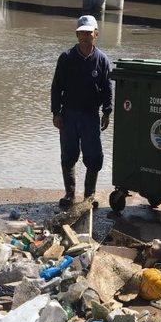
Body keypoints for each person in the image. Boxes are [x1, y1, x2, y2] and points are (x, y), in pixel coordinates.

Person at [51, 15, 113, 209]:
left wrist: (107, 112)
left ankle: (89, 196)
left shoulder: (102, 60)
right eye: (81, 33)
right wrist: (56, 112)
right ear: (77, 35)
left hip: (90, 116)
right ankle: (69, 195)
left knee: (93, 157)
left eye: (89, 33)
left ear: (96, 34)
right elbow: (56, 87)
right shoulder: (66, 58)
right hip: (68, 116)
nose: (85, 37)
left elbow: (107, 89)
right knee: (68, 156)